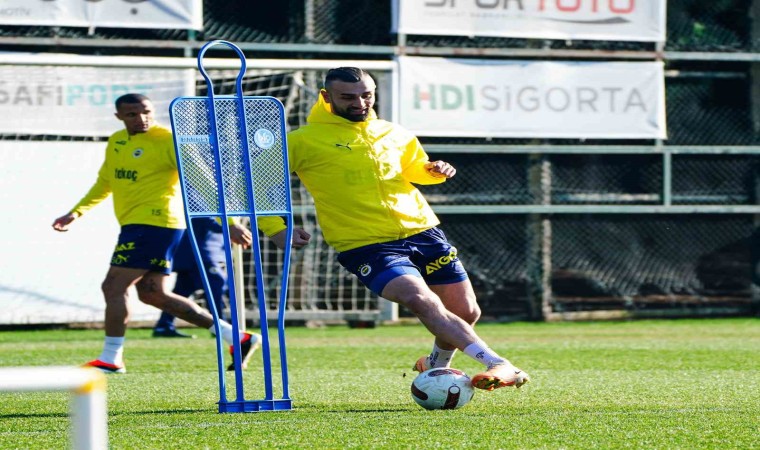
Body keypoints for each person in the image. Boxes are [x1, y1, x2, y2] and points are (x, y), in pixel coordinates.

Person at [283, 67, 530, 391]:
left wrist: (434, 170)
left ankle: (435, 366)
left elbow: (415, 170)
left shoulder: (393, 132)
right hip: (366, 243)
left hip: (422, 231)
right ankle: (497, 363)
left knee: (466, 311)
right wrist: (276, 227)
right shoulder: (301, 140)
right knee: (419, 297)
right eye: (348, 97)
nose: (360, 102)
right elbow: (257, 183)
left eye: (366, 95)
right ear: (327, 98)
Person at [51, 93, 290, 373]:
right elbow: (105, 182)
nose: (141, 119)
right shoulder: (117, 141)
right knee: (153, 294)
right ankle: (237, 337)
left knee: (113, 287)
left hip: (155, 224)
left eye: (146, 112)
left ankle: (111, 357)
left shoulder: (168, 140)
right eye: (132, 114)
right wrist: (76, 212)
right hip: (138, 226)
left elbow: (203, 183)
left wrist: (228, 224)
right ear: (119, 117)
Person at [152, 217, 227, 339]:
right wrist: (233, 226)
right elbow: (208, 221)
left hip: (196, 254)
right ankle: (221, 328)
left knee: (180, 293)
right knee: (215, 287)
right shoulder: (203, 202)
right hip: (200, 255)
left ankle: (163, 325)